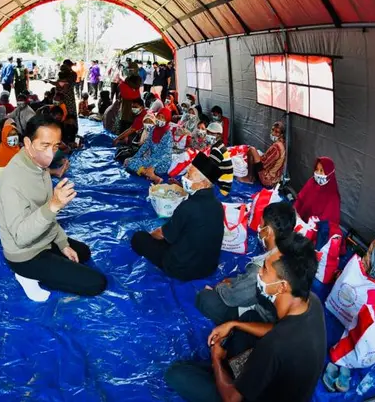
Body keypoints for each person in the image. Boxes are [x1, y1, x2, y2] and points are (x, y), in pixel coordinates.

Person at [165, 234, 326, 402]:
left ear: (282, 286)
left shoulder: (274, 346)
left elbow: (231, 398)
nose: (259, 274)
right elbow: (277, 329)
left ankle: (223, 369)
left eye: (265, 269)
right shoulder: (312, 302)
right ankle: (228, 370)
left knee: (175, 374)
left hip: (242, 396)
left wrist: (216, 358)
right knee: (248, 318)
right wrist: (234, 324)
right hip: (285, 383)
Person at [0, 114, 107, 301]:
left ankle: (51, 264)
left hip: (42, 237)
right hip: (25, 254)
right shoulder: (11, 181)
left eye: (55, 146)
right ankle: (27, 275)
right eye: (44, 145)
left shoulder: (38, 167)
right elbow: (21, 237)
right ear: (28, 143)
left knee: (83, 252)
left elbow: (47, 216)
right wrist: (53, 205)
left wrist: (62, 244)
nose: (51, 153)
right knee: (97, 283)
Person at [195, 202, 296, 327]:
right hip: (270, 308)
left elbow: (234, 297)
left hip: (260, 316)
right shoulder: (293, 250)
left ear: (268, 231)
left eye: (261, 224)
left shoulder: (264, 268)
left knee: (205, 298)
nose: (259, 227)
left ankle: (239, 327)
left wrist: (220, 288)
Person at [130, 154, 224, 281]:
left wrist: (152, 234)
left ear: (203, 184)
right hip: (208, 268)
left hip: (181, 269)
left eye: (189, 176)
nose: (185, 178)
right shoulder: (218, 205)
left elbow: (161, 234)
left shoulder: (188, 207)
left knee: (139, 238)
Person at [294, 156, 341, 237]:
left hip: (316, 232)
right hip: (301, 221)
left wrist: (310, 229)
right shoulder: (311, 182)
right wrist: (295, 213)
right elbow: (300, 200)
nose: (318, 173)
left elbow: (327, 224)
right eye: (316, 169)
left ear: (329, 173)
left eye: (322, 171)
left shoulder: (333, 196)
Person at [124, 108, 173, 184]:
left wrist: (153, 166)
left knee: (133, 165)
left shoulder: (168, 134)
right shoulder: (153, 129)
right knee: (129, 162)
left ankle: (151, 175)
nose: (160, 119)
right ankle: (152, 176)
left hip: (162, 163)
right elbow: (146, 145)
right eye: (159, 117)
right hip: (151, 159)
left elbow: (166, 155)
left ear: (167, 120)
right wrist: (134, 157)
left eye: (163, 118)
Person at [248, 121, 286, 188]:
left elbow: (264, 164)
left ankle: (250, 178)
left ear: (281, 134)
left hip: (268, 180)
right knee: (255, 154)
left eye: (277, 132)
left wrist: (257, 158)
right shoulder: (281, 144)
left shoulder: (277, 147)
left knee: (252, 150)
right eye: (272, 130)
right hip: (274, 178)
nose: (273, 133)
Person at [205, 123, 234, 196]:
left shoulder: (217, 149)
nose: (208, 135)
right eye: (208, 132)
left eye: (212, 133)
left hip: (221, 189)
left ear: (218, 135)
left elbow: (207, 171)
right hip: (222, 182)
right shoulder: (219, 145)